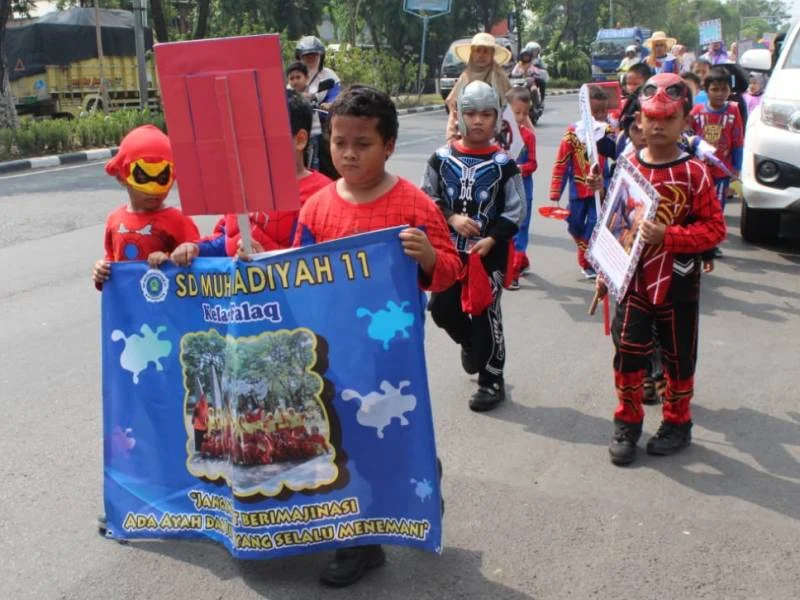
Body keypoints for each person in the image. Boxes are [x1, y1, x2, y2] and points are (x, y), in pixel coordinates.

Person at [293, 85, 460, 586]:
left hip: (392, 356)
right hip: (334, 352)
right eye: (339, 141)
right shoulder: (317, 208)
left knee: (394, 431)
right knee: (342, 441)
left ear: (388, 146)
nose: (347, 152)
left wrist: (428, 256)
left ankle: (421, 480)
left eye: (362, 143)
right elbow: (296, 273)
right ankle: (357, 543)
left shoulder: (414, 205)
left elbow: (451, 270)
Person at [598, 73, 726, 465]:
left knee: (678, 356)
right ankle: (628, 422)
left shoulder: (695, 173)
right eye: (650, 116)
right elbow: (614, 222)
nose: (657, 125)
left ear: (685, 120)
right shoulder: (628, 163)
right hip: (633, 282)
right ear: (638, 118)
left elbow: (715, 229)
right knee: (629, 353)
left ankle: (677, 422)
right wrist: (605, 271)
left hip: (679, 282)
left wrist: (668, 236)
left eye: (667, 118)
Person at [422, 81, 524, 411]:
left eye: (486, 114)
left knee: (485, 312)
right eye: (470, 113)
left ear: (497, 118)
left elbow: (515, 209)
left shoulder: (504, 164)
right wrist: (451, 218)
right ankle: (469, 344)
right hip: (448, 250)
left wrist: (492, 238)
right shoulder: (441, 158)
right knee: (441, 308)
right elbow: (428, 198)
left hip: (488, 253)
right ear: (460, 116)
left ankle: (491, 380)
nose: (478, 120)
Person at [171, 91, 332, 264]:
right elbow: (225, 240)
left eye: (265, 137)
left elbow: (317, 268)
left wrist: (266, 259)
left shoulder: (322, 196)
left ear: (299, 140)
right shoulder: (242, 187)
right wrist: (194, 249)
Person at [92, 125, 200, 289]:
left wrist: (169, 259)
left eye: (162, 178)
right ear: (122, 177)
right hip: (129, 309)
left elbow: (199, 267)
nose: (152, 191)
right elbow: (111, 263)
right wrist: (101, 271)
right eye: (142, 178)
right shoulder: (115, 220)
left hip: (167, 308)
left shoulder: (178, 221)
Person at [549, 86, 614, 278]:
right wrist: (555, 193)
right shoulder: (572, 133)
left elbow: (618, 155)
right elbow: (561, 163)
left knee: (595, 223)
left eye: (604, 111)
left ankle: (589, 261)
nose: (602, 115)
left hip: (599, 191)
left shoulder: (608, 131)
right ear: (585, 112)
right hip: (577, 190)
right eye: (597, 112)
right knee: (574, 224)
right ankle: (586, 252)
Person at [690, 66, 744, 258]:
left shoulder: (733, 111)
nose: (720, 94)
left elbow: (738, 140)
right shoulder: (696, 112)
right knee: (696, 206)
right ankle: (696, 240)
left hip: (722, 172)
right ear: (706, 90)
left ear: (730, 90)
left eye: (724, 89)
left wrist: (737, 167)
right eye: (715, 89)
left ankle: (711, 244)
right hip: (700, 172)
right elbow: (688, 137)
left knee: (717, 208)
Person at [445, 33, 512, 141]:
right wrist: (454, 127)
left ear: (492, 54)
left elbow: (510, 101)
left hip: (494, 130)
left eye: (486, 51)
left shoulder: (499, 75)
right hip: (466, 129)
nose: (481, 55)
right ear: (472, 53)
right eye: (478, 51)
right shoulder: (465, 76)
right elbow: (451, 102)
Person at [505, 87, 538, 288]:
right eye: (516, 113)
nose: (521, 117)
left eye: (525, 113)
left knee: (522, 227)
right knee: (507, 229)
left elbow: (533, 164)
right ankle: (519, 260)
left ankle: (514, 271)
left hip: (523, 188)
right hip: (504, 190)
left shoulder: (528, 136)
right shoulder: (500, 135)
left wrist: (519, 168)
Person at [295, 35, 341, 177]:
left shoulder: (328, 75)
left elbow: (336, 93)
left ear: (321, 56)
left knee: (333, 148)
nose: (311, 58)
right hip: (301, 123)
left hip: (323, 122)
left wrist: (329, 104)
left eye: (314, 55)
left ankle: (336, 178)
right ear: (300, 58)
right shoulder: (295, 76)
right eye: (307, 55)